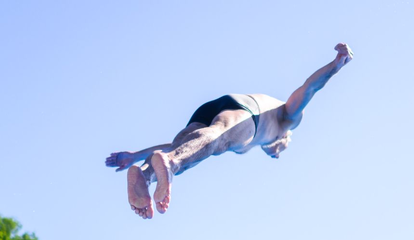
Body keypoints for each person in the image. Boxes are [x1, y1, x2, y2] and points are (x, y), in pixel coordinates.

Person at [106, 43, 354, 219]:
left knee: (185, 146)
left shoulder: (261, 138)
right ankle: (170, 165)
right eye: (283, 148)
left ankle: (146, 176)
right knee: (216, 141)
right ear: (285, 139)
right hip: (248, 111)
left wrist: (135, 155)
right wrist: (335, 65)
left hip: (213, 108)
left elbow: (179, 145)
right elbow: (308, 89)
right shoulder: (286, 122)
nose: (278, 153)